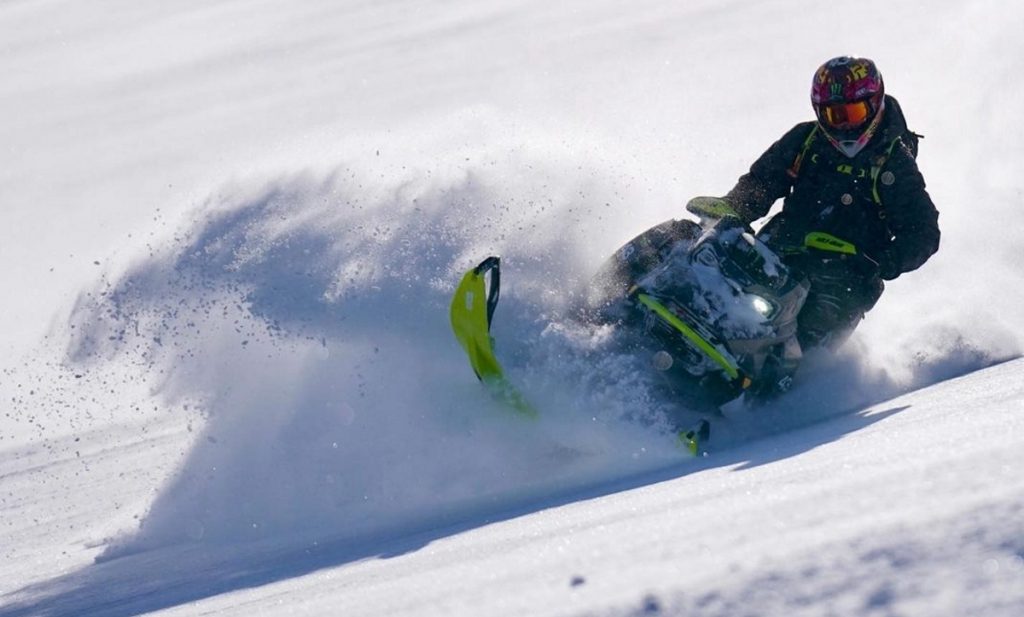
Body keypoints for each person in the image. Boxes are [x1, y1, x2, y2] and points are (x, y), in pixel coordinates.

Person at [690, 56, 940, 364]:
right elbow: (762, 183)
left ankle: (780, 395)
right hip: (781, 250)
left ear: (874, 106)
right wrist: (734, 209)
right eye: (834, 115)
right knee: (696, 248)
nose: (844, 124)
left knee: (798, 340)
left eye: (853, 113)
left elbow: (923, 230)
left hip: (847, 276)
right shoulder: (805, 139)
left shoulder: (894, 164)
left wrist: (884, 261)